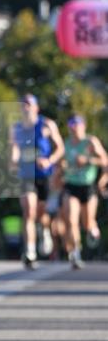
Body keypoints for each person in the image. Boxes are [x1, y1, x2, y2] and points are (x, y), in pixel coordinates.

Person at [9, 94, 64, 270]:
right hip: (26, 175)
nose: (25, 107)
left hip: (43, 175)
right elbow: (14, 149)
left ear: (36, 107)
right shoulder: (16, 128)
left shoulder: (47, 125)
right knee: (28, 211)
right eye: (22, 104)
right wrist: (13, 162)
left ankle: (45, 231)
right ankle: (30, 252)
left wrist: (50, 160)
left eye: (28, 104)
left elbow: (60, 148)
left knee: (42, 214)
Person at [61, 114, 107, 269]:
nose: (74, 128)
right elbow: (61, 162)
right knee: (71, 220)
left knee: (87, 223)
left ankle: (92, 230)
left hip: (88, 186)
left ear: (83, 126)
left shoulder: (90, 142)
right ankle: (75, 253)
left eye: (77, 124)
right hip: (71, 185)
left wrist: (88, 161)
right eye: (71, 125)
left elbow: (105, 161)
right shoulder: (67, 143)